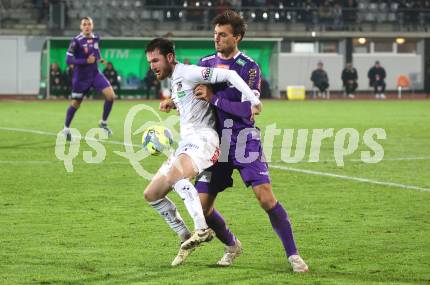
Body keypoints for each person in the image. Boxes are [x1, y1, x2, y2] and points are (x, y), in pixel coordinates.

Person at [177, 10, 309, 272]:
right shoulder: (205, 63)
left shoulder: (249, 68)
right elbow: (193, 95)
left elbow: (249, 109)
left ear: (236, 37)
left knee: (265, 199)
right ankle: (232, 244)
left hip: (243, 139)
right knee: (202, 209)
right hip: (215, 143)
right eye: (215, 34)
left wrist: (214, 98)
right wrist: (174, 101)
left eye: (223, 35)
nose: (217, 39)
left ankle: (293, 255)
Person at [143, 38, 261, 264]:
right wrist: (174, 103)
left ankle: (202, 230)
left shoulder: (188, 72)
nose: (152, 66)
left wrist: (253, 99)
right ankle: (185, 235)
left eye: (155, 60)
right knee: (152, 194)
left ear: (169, 57)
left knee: (176, 176)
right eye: (150, 62)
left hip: (204, 139)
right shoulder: (176, 80)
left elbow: (229, 76)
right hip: (187, 143)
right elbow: (191, 101)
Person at [62, 16, 116, 141]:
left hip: (95, 74)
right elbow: (68, 60)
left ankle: (103, 124)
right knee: (76, 104)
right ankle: (66, 129)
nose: (87, 26)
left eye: (89, 24)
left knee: (111, 96)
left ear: (92, 26)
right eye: (84, 24)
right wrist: (85, 61)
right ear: (81, 27)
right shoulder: (76, 41)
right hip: (81, 78)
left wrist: (99, 58)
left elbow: (96, 52)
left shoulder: (96, 38)